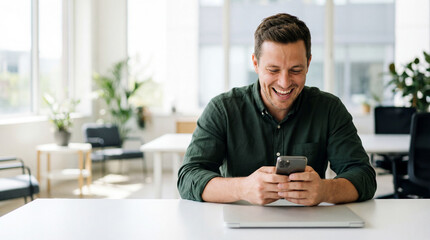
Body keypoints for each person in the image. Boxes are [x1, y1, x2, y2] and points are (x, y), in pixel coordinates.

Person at [177, 13, 376, 206]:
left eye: (295, 70)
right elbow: (188, 177)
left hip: (310, 225)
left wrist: (325, 190)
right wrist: (242, 188)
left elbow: (363, 176)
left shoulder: (329, 109)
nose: (284, 83)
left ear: (308, 63)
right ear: (255, 63)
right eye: (273, 70)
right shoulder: (223, 110)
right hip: (241, 226)